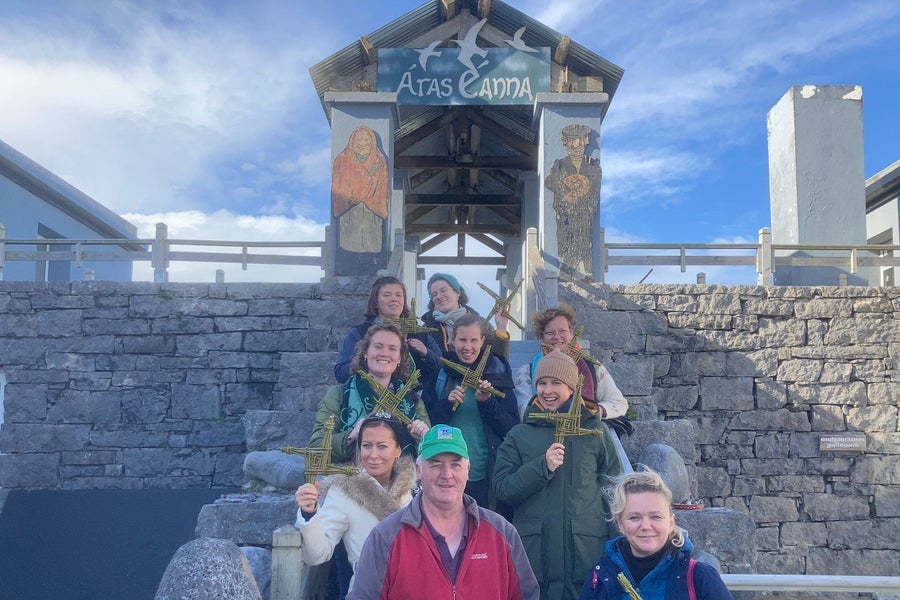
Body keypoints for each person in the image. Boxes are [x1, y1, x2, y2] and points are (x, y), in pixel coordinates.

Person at [347, 424, 540, 600]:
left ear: (467, 470)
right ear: (419, 470)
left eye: (455, 464)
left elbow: (527, 595)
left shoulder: (501, 533)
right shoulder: (386, 537)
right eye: (436, 464)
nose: (446, 474)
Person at [494, 350, 624, 600]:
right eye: (542, 383)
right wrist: (541, 467)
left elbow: (616, 492)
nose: (547, 390)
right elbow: (502, 488)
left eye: (556, 383)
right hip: (535, 558)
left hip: (585, 555)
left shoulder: (595, 432)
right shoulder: (520, 434)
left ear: (572, 387)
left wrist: (619, 547)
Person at [294, 413, 418, 599]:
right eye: (367, 446)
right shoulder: (344, 491)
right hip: (368, 590)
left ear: (398, 450)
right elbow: (317, 555)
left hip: (414, 589)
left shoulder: (415, 489)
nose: (373, 455)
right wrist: (309, 513)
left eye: (382, 446)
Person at [579, 469, 733, 600]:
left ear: (671, 522)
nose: (646, 526)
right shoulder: (600, 577)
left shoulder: (700, 577)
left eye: (655, 516)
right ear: (620, 524)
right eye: (634, 517)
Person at [423, 313, 519, 511]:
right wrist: (447, 405)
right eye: (462, 340)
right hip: (446, 475)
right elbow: (425, 425)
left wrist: (487, 402)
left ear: (483, 341)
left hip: (485, 474)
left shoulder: (497, 372)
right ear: (452, 340)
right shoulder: (441, 374)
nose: (468, 347)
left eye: (474, 340)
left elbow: (511, 429)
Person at [310, 323, 430, 463]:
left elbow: (432, 452)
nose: (384, 353)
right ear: (366, 353)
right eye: (378, 346)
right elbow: (315, 448)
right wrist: (351, 435)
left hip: (401, 481)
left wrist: (422, 437)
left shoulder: (413, 400)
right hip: (351, 480)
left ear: (399, 359)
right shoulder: (339, 394)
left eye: (392, 348)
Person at [514, 303, 627, 423]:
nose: (557, 337)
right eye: (550, 333)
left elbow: (618, 403)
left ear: (571, 334)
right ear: (541, 337)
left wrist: (596, 411)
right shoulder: (527, 372)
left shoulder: (593, 367)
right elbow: (522, 409)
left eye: (562, 331)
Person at [334, 275, 442, 384]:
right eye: (387, 295)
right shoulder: (359, 333)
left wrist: (427, 354)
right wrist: (369, 360)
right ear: (375, 302)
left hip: (414, 398)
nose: (394, 299)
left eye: (399, 295)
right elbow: (341, 373)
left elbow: (443, 371)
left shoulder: (420, 335)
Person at [544, 123, 601, 275]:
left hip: (584, 213)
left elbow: (595, 186)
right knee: (566, 244)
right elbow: (549, 181)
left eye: (582, 140)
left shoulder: (593, 165)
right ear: (566, 142)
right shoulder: (559, 165)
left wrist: (591, 204)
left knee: (585, 243)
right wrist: (564, 194)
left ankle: (587, 274)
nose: (580, 144)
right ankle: (565, 274)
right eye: (575, 140)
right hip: (565, 214)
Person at [421, 272, 510, 358]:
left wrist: (501, 329)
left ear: (457, 293)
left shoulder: (482, 324)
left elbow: (499, 361)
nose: (439, 296)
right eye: (434, 294)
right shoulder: (425, 330)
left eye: (443, 290)